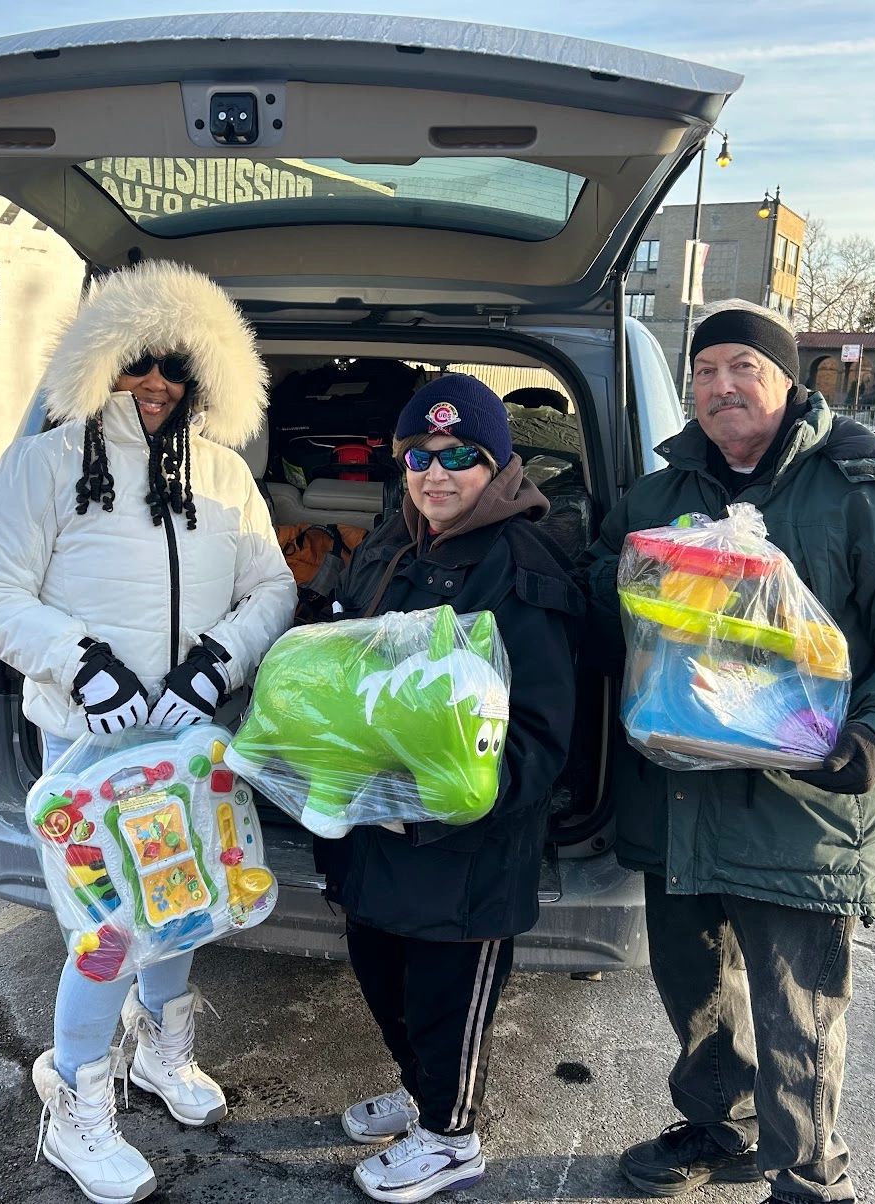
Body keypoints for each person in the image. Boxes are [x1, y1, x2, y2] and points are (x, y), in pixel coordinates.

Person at [581, 300, 875, 1204]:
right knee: (697, 992)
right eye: (704, 372)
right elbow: (600, 603)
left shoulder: (869, 490)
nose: (720, 387)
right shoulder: (659, 496)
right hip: (676, 796)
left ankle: (810, 1178)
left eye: (742, 367)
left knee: (796, 1018)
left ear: (786, 380)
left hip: (802, 803)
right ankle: (719, 1128)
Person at [0, 260, 296, 1204]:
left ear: (205, 376)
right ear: (101, 361)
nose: (155, 382)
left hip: (186, 744)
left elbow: (272, 588)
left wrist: (217, 661)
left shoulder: (224, 474)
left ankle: (160, 1048)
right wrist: (83, 662)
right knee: (104, 930)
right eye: (137, 361)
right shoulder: (39, 467)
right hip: (87, 749)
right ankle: (74, 1097)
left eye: (176, 366)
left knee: (182, 899)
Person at [315, 374, 583, 1203]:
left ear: (496, 466)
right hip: (372, 826)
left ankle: (450, 1134)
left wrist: (439, 805)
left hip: (462, 847)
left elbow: (539, 734)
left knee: (444, 1000)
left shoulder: (522, 565)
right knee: (380, 974)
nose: (437, 473)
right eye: (420, 456)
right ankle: (419, 1089)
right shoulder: (388, 544)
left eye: (460, 455)